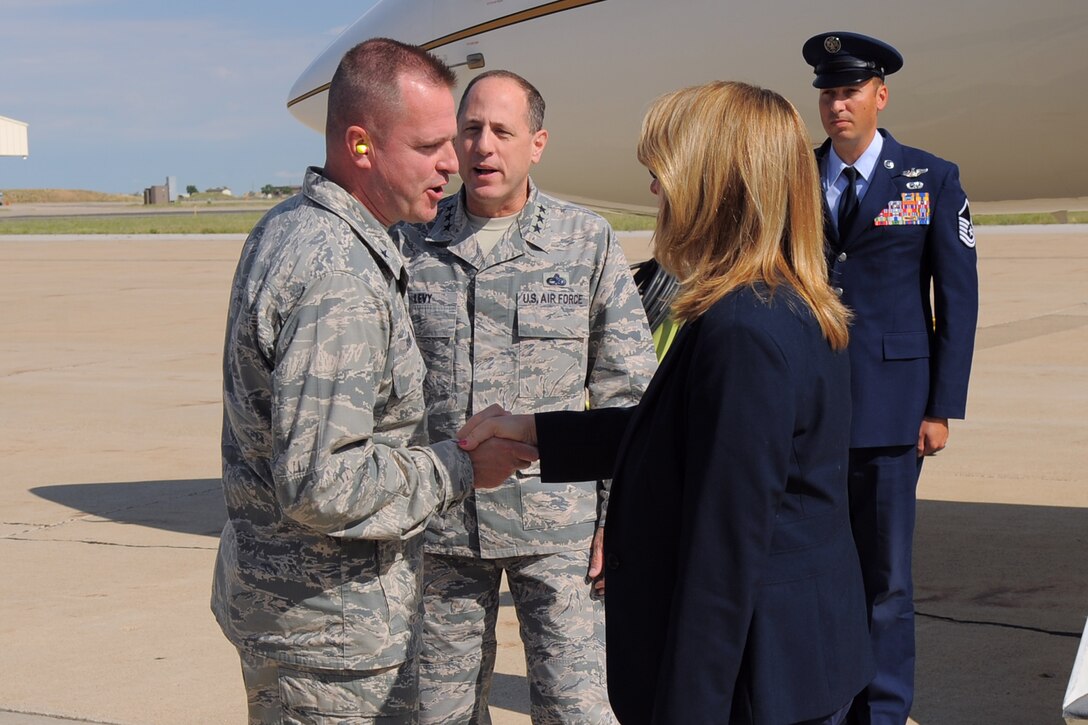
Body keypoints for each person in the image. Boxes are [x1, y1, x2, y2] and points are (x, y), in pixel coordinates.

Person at [459, 81, 875, 725]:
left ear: (714, 186)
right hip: (795, 661)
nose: (654, 192)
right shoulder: (781, 301)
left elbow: (724, 554)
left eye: (662, 175)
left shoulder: (742, 334)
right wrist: (537, 432)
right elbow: (688, 432)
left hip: (749, 683)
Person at [210, 39, 536, 724]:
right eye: (428, 147)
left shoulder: (294, 227)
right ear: (360, 146)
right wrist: (460, 467)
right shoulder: (338, 273)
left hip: (309, 626)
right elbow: (321, 481)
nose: (453, 163)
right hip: (332, 649)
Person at [397, 69, 657, 724]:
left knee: (578, 710)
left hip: (558, 532)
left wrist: (614, 518)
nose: (484, 146)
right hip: (443, 529)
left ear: (536, 143)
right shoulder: (410, 242)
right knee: (439, 714)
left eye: (502, 131)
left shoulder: (584, 240)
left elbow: (630, 395)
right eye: (471, 129)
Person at [801, 32, 979, 725]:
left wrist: (941, 407)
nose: (836, 104)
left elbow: (956, 300)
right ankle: (827, 702)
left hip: (892, 412)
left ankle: (883, 709)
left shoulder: (930, 177)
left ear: (880, 94)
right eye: (827, 92)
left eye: (849, 91)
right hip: (809, 410)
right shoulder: (794, 173)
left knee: (887, 579)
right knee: (817, 570)